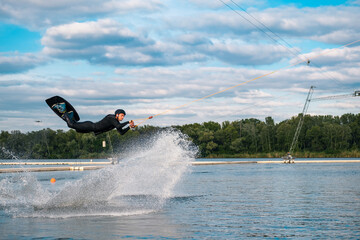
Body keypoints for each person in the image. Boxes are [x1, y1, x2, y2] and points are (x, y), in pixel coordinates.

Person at [61, 108, 135, 135]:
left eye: (124, 116)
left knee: (76, 129)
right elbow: (119, 126)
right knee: (70, 125)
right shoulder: (111, 118)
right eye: (122, 115)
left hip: (90, 130)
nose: (123, 117)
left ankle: (70, 115)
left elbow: (121, 132)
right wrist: (128, 122)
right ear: (117, 115)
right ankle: (64, 110)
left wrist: (129, 127)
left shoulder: (116, 122)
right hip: (90, 125)